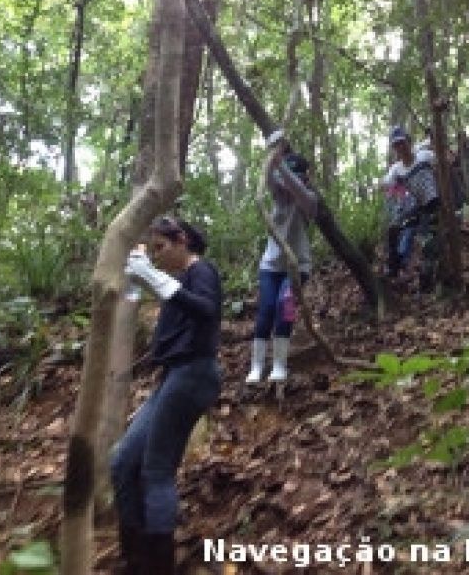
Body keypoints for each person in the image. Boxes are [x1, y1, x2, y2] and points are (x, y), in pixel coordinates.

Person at [112, 216, 222, 575]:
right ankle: (135, 556)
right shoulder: (178, 281)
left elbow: (206, 310)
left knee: (156, 470)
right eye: (154, 250)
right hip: (173, 376)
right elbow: (134, 297)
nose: (158, 256)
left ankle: (159, 565)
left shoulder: (202, 271)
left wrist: (153, 277)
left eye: (161, 248)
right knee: (123, 461)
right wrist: (136, 277)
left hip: (194, 373)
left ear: (182, 241)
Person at [246, 131, 318, 385]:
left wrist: (282, 166)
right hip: (270, 265)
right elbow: (270, 181)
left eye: (297, 177)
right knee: (265, 310)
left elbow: (299, 191)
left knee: (284, 309)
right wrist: (273, 156)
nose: (287, 184)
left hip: (298, 265)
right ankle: (256, 366)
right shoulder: (277, 197)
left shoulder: (309, 200)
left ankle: (279, 364)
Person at [386, 125, 440, 292]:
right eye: (396, 145)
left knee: (428, 240)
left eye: (402, 143)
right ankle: (394, 269)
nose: (400, 148)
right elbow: (387, 185)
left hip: (434, 202)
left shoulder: (424, 156)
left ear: (409, 142)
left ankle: (427, 279)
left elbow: (444, 163)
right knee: (394, 229)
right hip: (417, 206)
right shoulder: (396, 169)